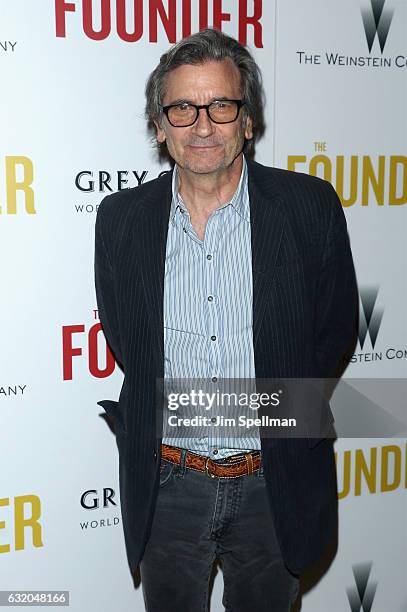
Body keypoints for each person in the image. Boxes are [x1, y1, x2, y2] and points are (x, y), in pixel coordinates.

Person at [94, 28, 358, 612]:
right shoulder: (120, 220)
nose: (202, 125)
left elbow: (335, 331)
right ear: (159, 125)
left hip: (275, 481)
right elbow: (127, 341)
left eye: (221, 105)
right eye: (182, 108)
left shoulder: (310, 206)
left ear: (248, 120)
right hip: (168, 485)